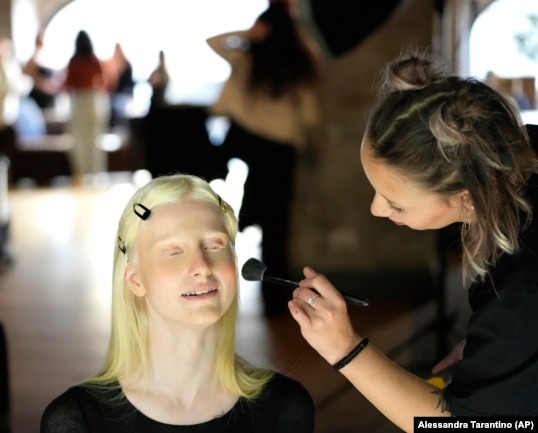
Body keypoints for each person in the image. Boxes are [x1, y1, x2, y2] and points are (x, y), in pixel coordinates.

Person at [288, 48, 538, 431]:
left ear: (465, 198)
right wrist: (501, 357)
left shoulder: (521, 288)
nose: (376, 210)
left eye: (395, 204)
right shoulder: (521, 152)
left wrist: (344, 347)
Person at [40, 174, 315, 432]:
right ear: (135, 280)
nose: (202, 267)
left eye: (214, 245)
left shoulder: (286, 407)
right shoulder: (76, 420)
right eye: (173, 251)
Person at [207, 0, 324, 315]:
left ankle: (232, 235)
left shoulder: (249, 58)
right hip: (281, 146)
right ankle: (275, 299)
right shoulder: (301, 60)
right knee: (277, 221)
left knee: (258, 209)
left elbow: (213, 42)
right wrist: (313, 141)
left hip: (250, 139)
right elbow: (310, 113)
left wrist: (249, 33)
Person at [63, 30, 110, 186]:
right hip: (94, 100)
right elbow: (105, 80)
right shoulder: (94, 60)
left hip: (79, 101)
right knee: (95, 139)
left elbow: (68, 84)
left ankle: (81, 174)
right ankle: (97, 173)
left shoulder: (74, 61)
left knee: (79, 140)